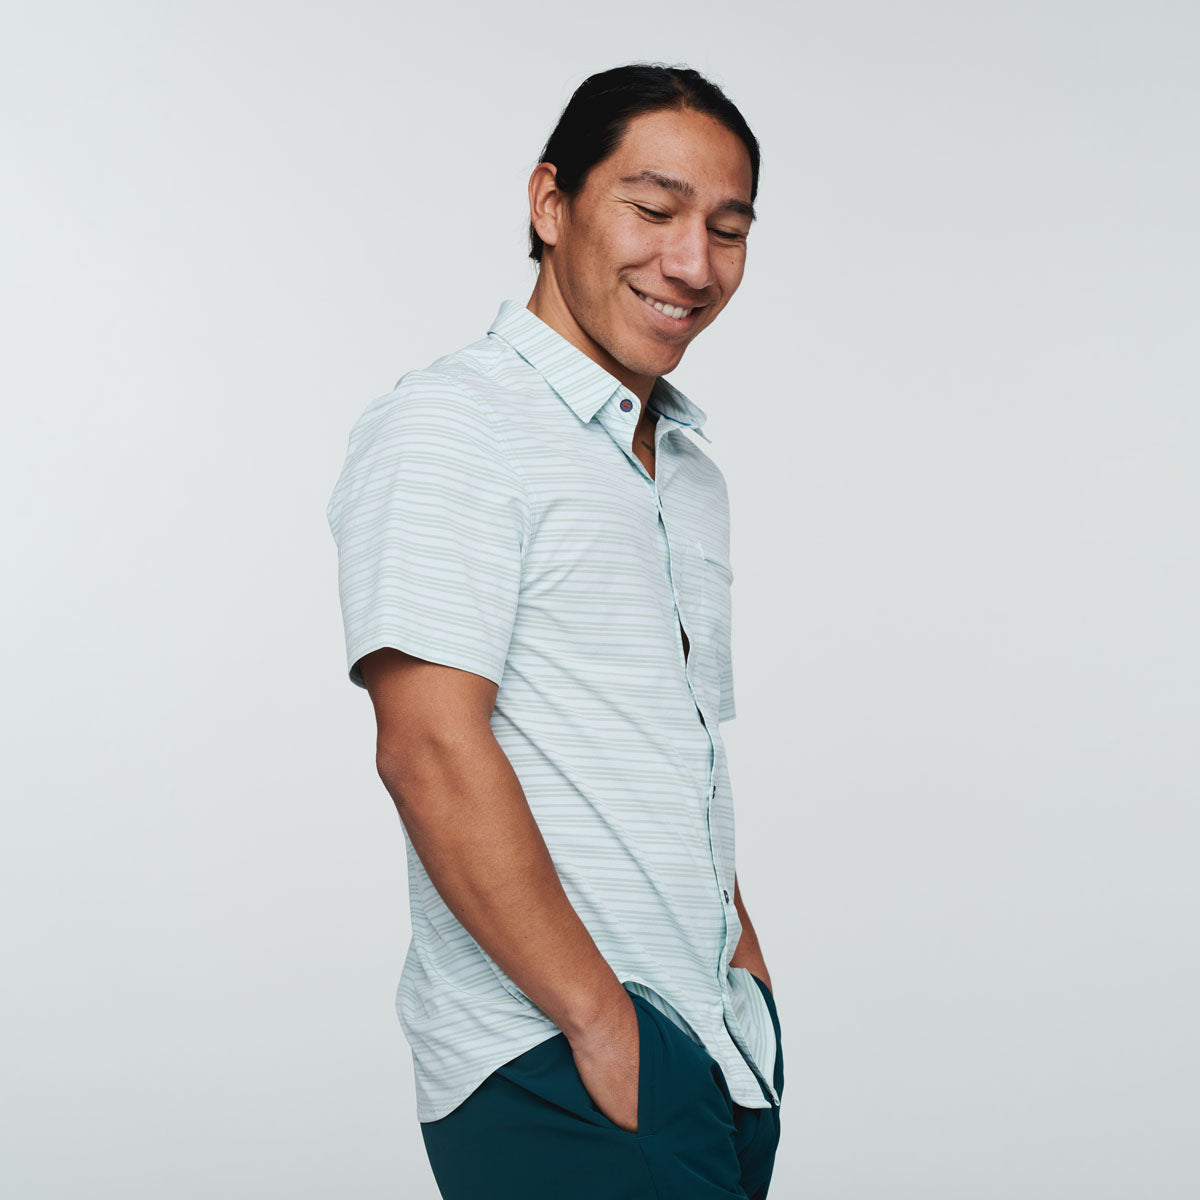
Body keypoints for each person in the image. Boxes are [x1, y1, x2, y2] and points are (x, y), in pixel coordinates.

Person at [325, 62, 784, 1199]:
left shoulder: (687, 470)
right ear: (550, 204)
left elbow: (671, 757)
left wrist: (746, 981)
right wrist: (598, 1024)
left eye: (728, 230)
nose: (693, 264)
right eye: (654, 209)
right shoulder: (453, 424)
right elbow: (428, 748)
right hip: (559, 1060)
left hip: (710, 1053)